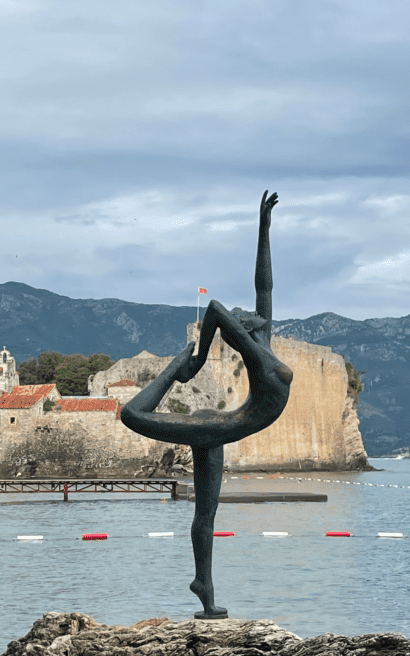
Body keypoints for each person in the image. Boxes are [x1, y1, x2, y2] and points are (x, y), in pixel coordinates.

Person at [120, 191, 293, 619]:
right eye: (243, 318)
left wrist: (263, 228)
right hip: (215, 428)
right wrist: (194, 360)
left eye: (247, 316)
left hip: (219, 426)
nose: (248, 315)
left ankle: (205, 586)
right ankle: (172, 368)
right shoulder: (257, 356)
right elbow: (215, 309)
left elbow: (264, 285)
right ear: (240, 331)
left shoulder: (263, 345)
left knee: (206, 511)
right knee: (130, 415)